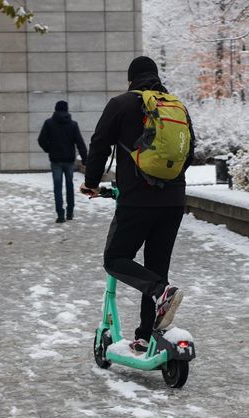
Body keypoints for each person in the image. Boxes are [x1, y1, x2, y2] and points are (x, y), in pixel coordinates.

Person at [81, 56, 195, 353]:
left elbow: (99, 144)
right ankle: (146, 335)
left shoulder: (120, 104)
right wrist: (169, 185)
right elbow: (189, 151)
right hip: (173, 202)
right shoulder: (175, 106)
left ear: (130, 79)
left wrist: (91, 183)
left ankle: (160, 292)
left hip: (136, 201)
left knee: (116, 258)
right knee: (157, 266)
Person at [37, 100, 88, 223]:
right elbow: (80, 143)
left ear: (55, 109)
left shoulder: (49, 123)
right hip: (69, 160)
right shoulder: (73, 125)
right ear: (66, 110)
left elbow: (41, 140)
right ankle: (70, 213)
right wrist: (85, 160)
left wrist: (49, 149)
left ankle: (60, 215)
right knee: (70, 186)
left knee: (57, 188)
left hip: (56, 161)